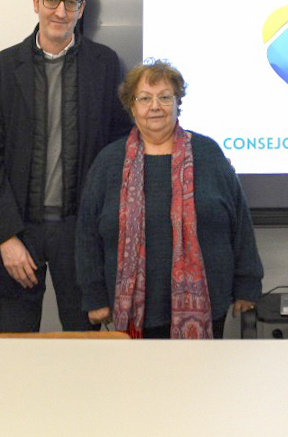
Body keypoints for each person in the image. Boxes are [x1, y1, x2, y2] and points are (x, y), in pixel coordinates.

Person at [0, 0, 127, 333]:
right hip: (18, 230)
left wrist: (101, 232)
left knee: (83, 352)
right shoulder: (3, 68)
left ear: (82, 9)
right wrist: (6, 238)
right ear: (36, 3)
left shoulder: (105, 66)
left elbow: (119, 149)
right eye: (52, 0)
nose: (60, 11)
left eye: (70, 2)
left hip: (81, 233)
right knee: (17, 351)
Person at [77, 60, 262, 338]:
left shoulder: (208, 153)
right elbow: (87, 235)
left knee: (201, 380)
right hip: (133, 311)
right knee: (140, 381)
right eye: (145, 98)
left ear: (177, 103)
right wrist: (94, 296)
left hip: (207, 307)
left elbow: (240, 223)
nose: (155, 106)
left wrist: (247, 284)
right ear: (132, 106)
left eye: (165, 97)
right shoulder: (108, 162)